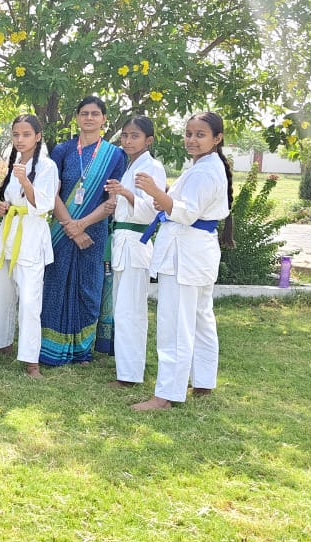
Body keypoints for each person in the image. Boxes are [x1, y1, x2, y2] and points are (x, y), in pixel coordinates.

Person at [131, 112, 234, 411]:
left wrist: (155, 192)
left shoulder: (205, 172)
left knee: (175, 324)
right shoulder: (205, 166)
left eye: (200, 135)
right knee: (200, 318)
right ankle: (203, 381)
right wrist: (162, 196)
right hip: (196, 251)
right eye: (189, 134)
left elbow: (186, 213)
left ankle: (166, 395)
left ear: (217, 138)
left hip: (186, 253)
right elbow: (183, 206)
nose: (192, 140)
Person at [39, 95, 127, 366]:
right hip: (62, 230)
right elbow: (51, 193)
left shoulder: (114, 155)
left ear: (104, 119)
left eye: (95, 113)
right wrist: (71, 226)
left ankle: (82, 350)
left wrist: (82, 225)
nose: (89, 118)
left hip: (94, 231)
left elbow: (112, 200)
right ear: (77, 118)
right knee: (56, 285)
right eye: (84, 113)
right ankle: (51, 347)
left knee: (89, 288)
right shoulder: (62, 150)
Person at [0, 115, 58, 376]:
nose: (20, 139)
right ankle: (2, 343)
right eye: (16, 134)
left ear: (38, 136)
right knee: (2, 293)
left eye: (26, 134)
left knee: (29, 299)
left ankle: (31, 359)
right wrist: (4, 207)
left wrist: (26, 181)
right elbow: (12, 198)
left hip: (30, 236)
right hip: (9, 233)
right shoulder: (16, 162)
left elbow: (43, 204)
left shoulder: (47, 166)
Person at [103, 117, 166, 388]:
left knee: (131, 311)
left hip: (136, 241)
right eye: (125, 135)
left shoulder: (152, 168)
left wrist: (126, 194)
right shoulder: (130, 166)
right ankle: (125, 368)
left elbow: (153, 209)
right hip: (121, 239)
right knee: (121, 308)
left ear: (148, 140)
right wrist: (115, 201)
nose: (128, 141)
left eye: (135, 136)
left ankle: (130, 375)